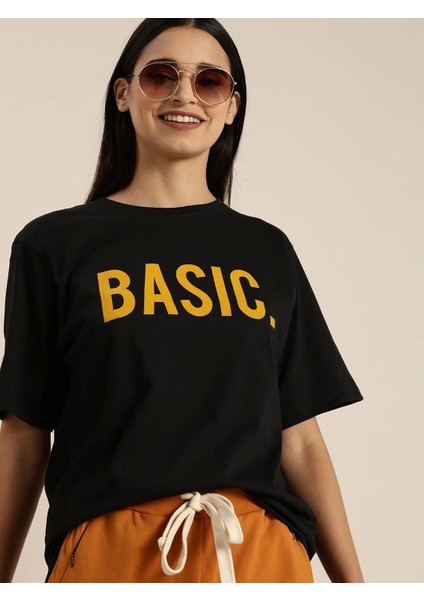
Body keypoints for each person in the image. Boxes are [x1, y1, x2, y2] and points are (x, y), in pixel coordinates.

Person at [0, 18, 365, 584]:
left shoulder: (266, 249)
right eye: (160, 76)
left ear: (232, 106)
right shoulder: (53, 245)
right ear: (123, 93)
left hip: (259, 552)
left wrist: (357, 588)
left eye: (209, 81)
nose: (184, 95)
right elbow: (24, 436)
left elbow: (300, 438)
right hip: (111, 554)